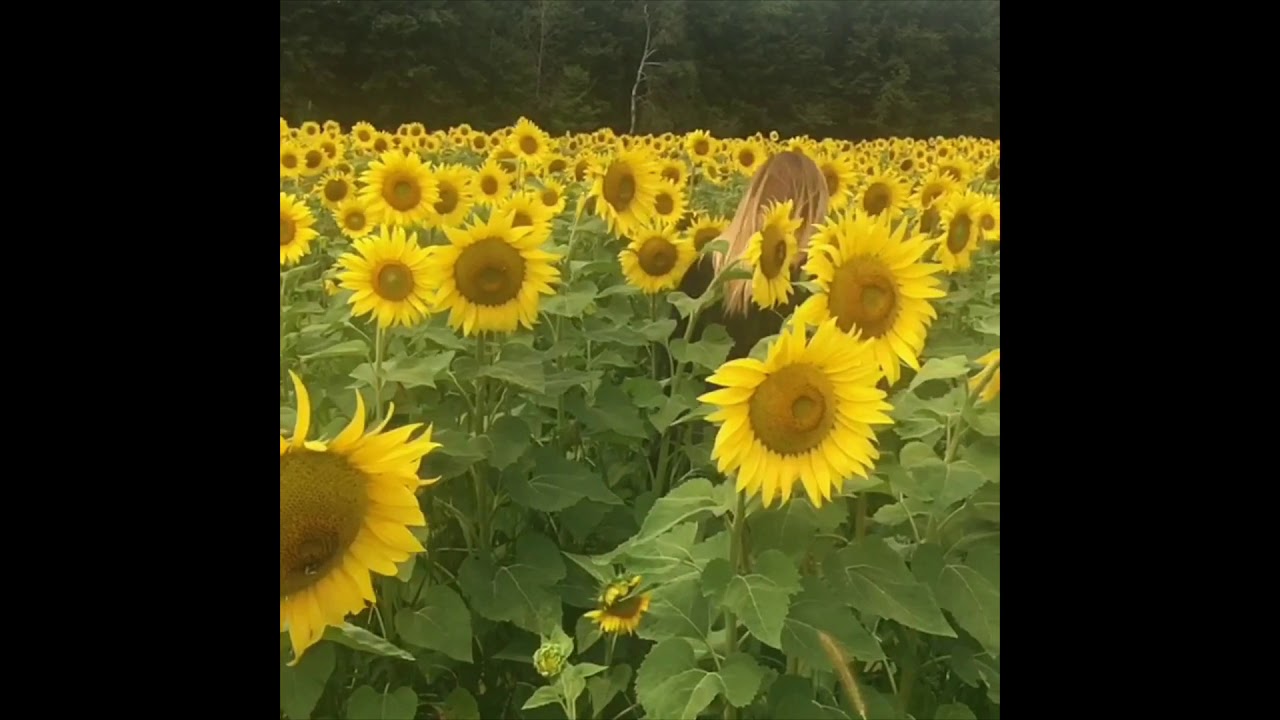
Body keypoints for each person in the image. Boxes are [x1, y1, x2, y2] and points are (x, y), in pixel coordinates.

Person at [674, 150, 831, 360]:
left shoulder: (710, 264)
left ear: (754, 197)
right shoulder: (812, 285)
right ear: (814, 208)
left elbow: (670, 356)